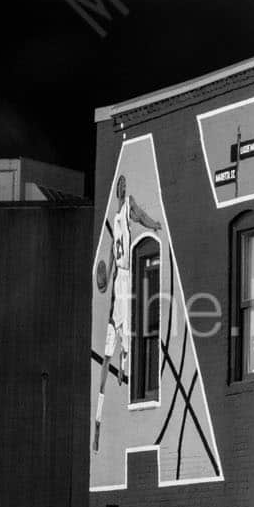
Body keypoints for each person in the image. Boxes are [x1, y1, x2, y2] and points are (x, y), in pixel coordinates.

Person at [93, 175, 162, 452]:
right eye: (119, 185)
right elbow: (110, 254)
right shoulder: (116, 218)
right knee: (111, 342)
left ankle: (125, 368)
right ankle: (98, 420)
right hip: (118, 282)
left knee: (129, 329)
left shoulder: (127, 207)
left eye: (123, 183)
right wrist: (104, 279)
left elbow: (141, 215)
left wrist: (153, 224)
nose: (122, 186)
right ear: (116, 191)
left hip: (128, 276)